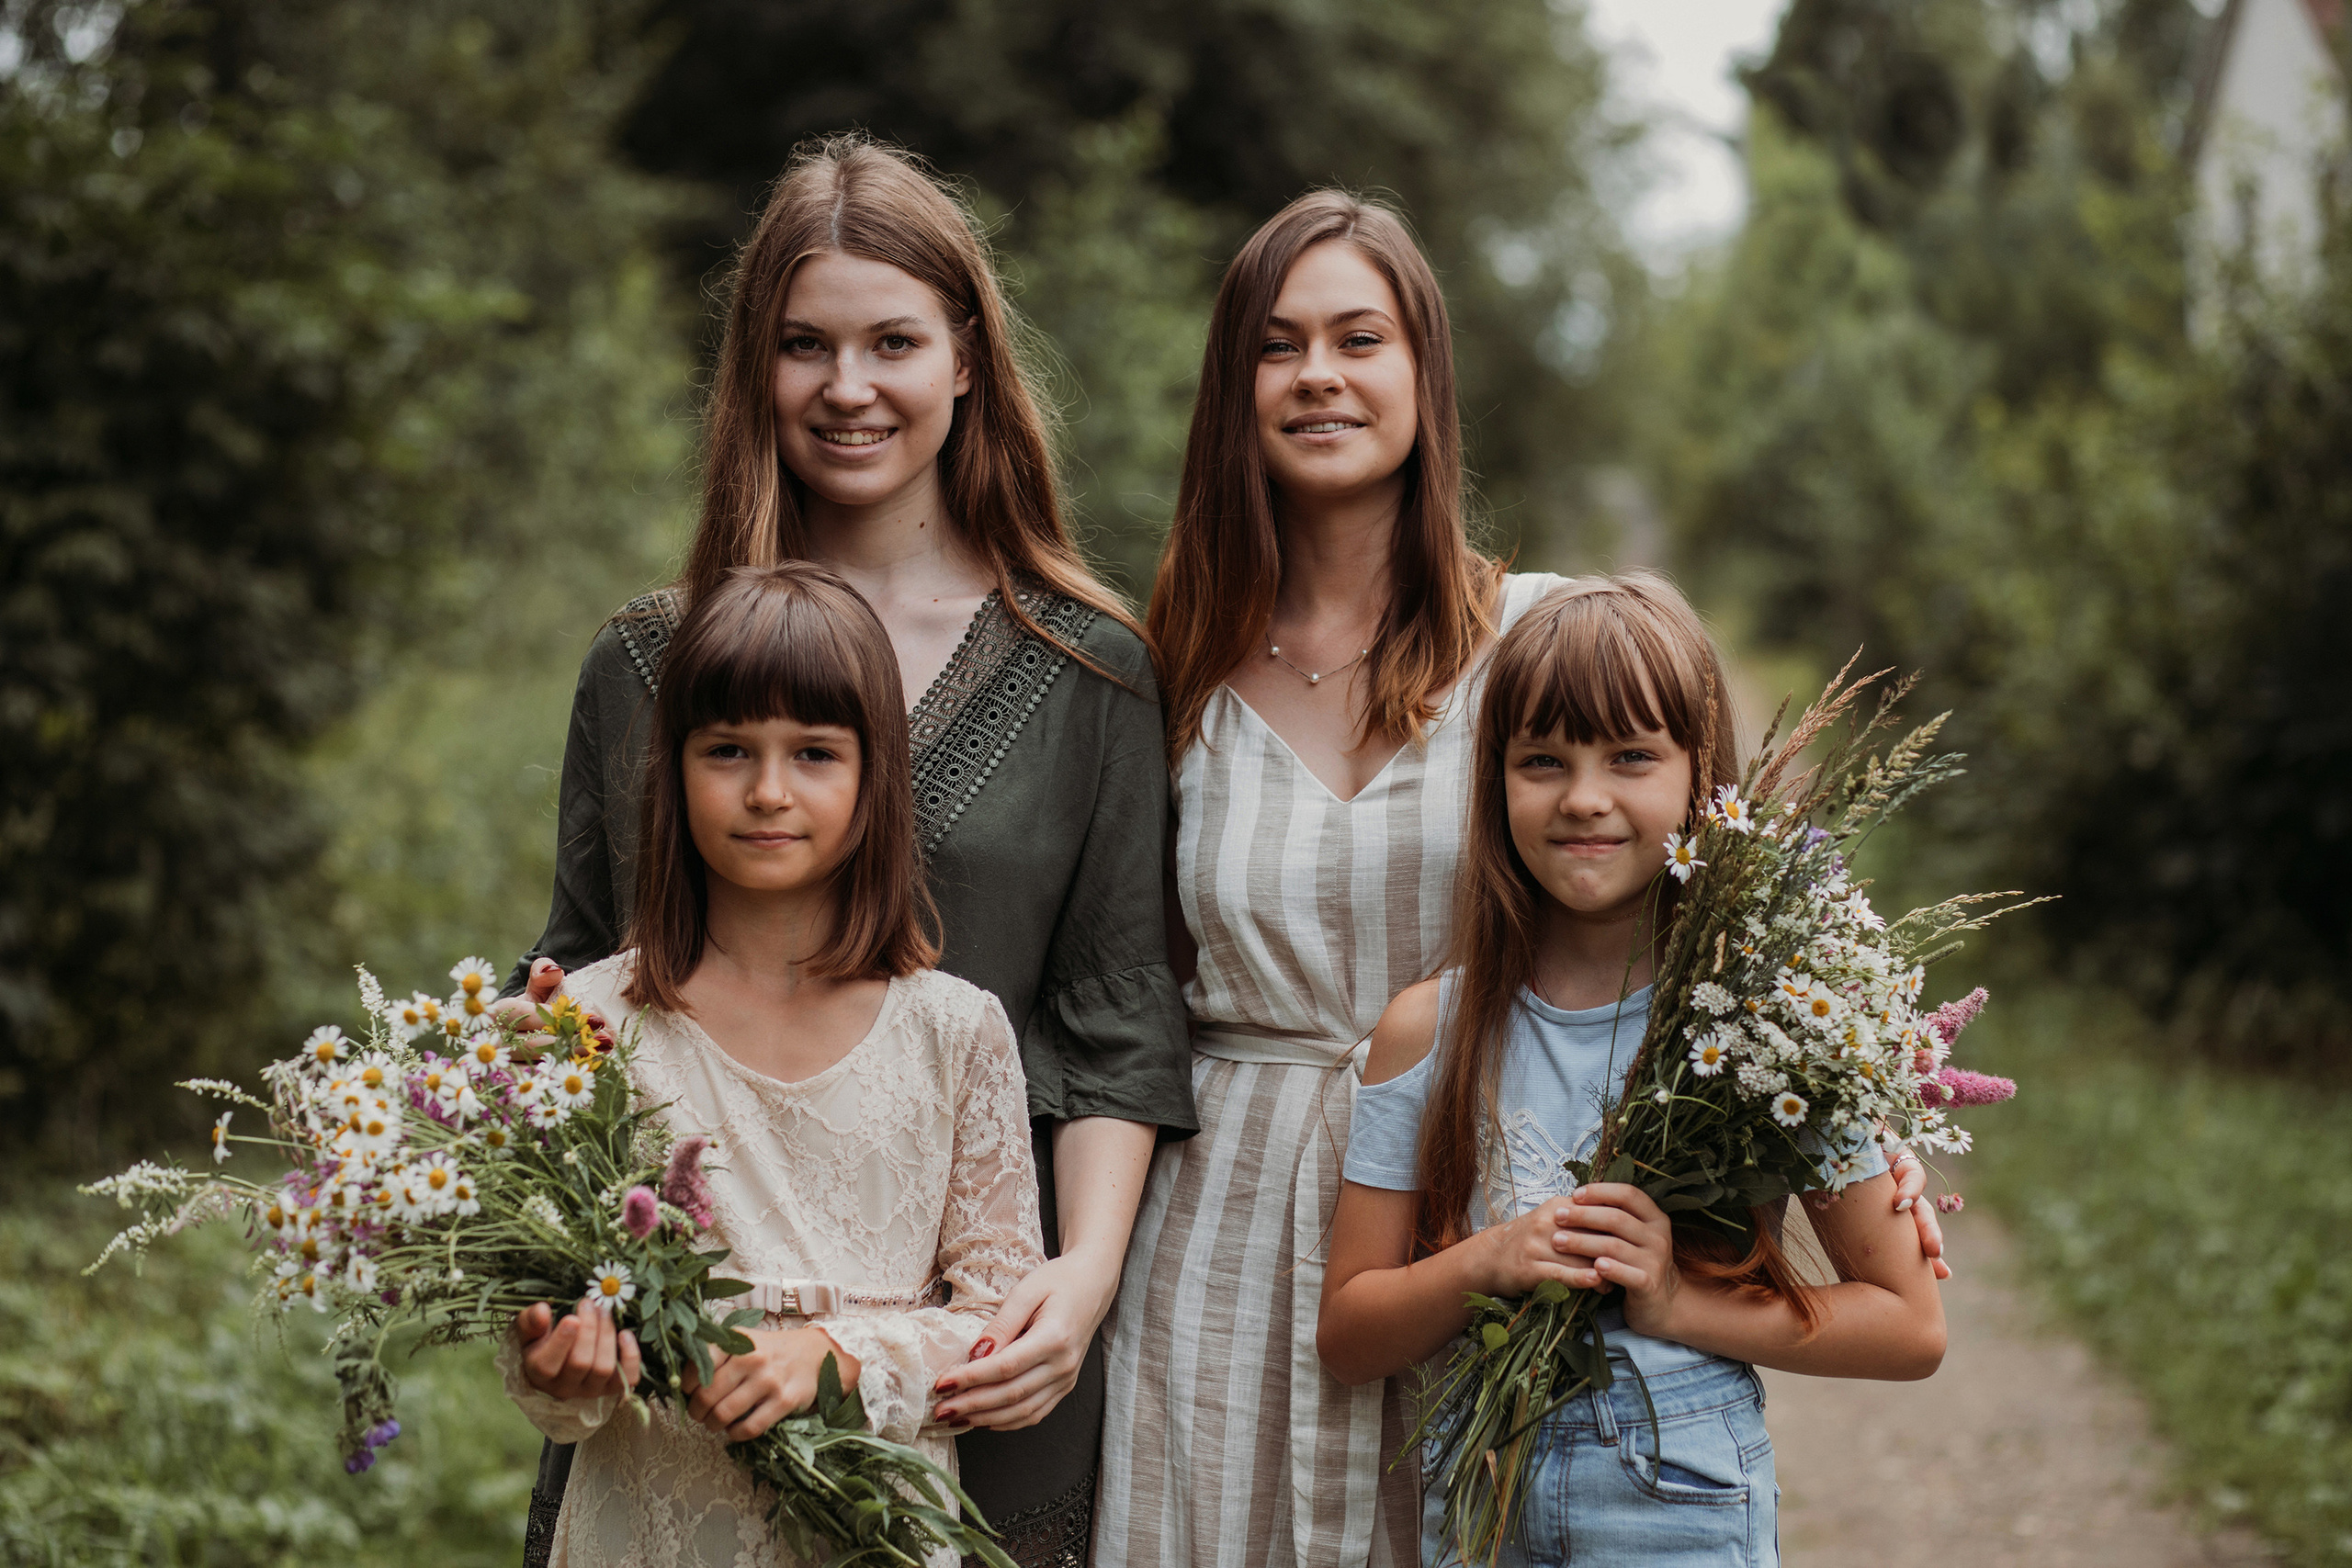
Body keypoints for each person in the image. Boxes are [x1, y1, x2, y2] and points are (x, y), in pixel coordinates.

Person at [1095, 191, 1947, 1568]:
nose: (1319, 372)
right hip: (1228, 1224)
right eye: (1279, 342)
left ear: (1424, 372)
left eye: (1359, 336)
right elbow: (1114, 973)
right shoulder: (1169, 665)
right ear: (1231, 389)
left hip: (1486, 1185)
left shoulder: (1545, 634)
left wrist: (1848, 1098)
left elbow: (1735, 887)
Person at [509, 137, 1193, 1566]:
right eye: (804, 345)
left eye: (894, 341)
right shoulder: (650, 662)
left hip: (982, 1328)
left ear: (967, 363)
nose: (849, 386)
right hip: (682, 1374)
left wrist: (1077, 1283)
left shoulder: (1090, 665)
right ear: (757, 370)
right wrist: (566, 1301)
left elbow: (1121, 1016)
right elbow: (570, 987)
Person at [1318, 574, 1948, 1567]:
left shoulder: (1769, 1025)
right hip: (1482, 1489)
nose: (1583, 798)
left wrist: (1676, 1304)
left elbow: (1909, 1327)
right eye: (1541, 761)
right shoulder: (1429, 1030)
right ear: (1496, 784)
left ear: (1703, 781)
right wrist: (1487, 1260)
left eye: (1630, 757)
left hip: (1680, 1491)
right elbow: (1349, 1333)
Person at [502, 563, 1046, 1568]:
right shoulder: (588, 1028)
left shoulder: (953, 1031)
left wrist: (835, 1358)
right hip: (650, 1518)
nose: (766, 791)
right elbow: (541, 1354)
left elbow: (996, 1324)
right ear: (673, 770)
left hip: (871, 1522)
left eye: (812, 753)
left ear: (873, 775)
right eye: (727, 751)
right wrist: (559, 1370)